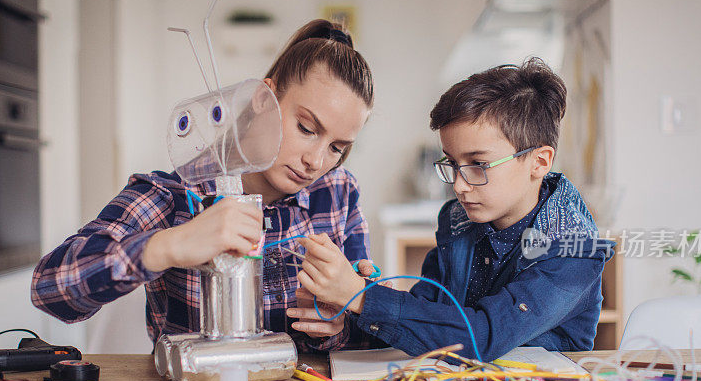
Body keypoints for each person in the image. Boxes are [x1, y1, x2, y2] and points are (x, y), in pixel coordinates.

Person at [31, 19, 379, 352]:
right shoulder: (176, 196)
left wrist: (339, 323)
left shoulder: (337, 193)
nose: (316, 162)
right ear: (263, 99)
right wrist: (168, 245)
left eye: (337, 148)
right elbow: (49, 289)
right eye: (306, 127)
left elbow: (368, 333)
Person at [296, 57, 614, 362]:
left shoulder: (574, 249)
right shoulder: (459, 221)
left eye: (478, 164)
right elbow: (431, 319)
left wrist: (361, 297)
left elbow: (484, 335)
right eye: (452, 163)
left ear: (539, 162)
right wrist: (349, 311)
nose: (459, 185)